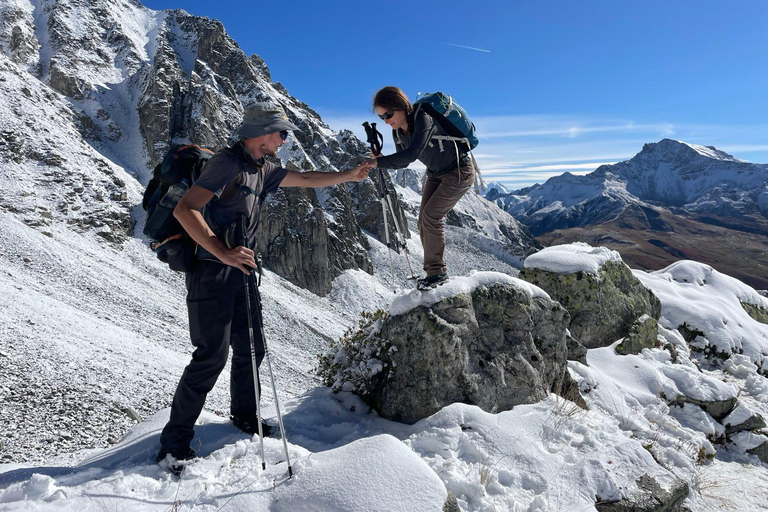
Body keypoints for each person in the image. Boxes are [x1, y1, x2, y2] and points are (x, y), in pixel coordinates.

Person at [157, 107, 371, 471]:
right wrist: (222, 251)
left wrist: (348, 175)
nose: (285, 140)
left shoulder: (262, 168)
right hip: (212, 272)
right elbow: (185, 209)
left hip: (242, 270)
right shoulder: (226, 164)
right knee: (211, 356)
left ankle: (245, 417)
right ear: (262, 134)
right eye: (281, 134)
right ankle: (173, 445)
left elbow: (304, 179)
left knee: (253, 348)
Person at [366, 86, 475, 289]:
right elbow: (403, 161)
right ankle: (434, 273)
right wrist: (382, 160)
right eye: (382, 117)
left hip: (459, 172)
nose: (387, 121)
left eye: (389, 114)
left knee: (431, 217)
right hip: (436, 174)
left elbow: (413, 153)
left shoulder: (423, 117)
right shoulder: (398, 132)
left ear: (400, 106)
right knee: (423, 220)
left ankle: (438, 274)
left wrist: (377, 163)